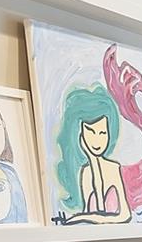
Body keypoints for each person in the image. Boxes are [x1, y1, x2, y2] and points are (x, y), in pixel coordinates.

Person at [53, 86, 130, 225]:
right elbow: (95, 215)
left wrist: (80, 218)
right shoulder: (85, 173)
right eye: (90, 132)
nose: (97, 140)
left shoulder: (114, 168)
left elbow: (124, 216)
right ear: (79, 133)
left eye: (102, 133)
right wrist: (92, 159)